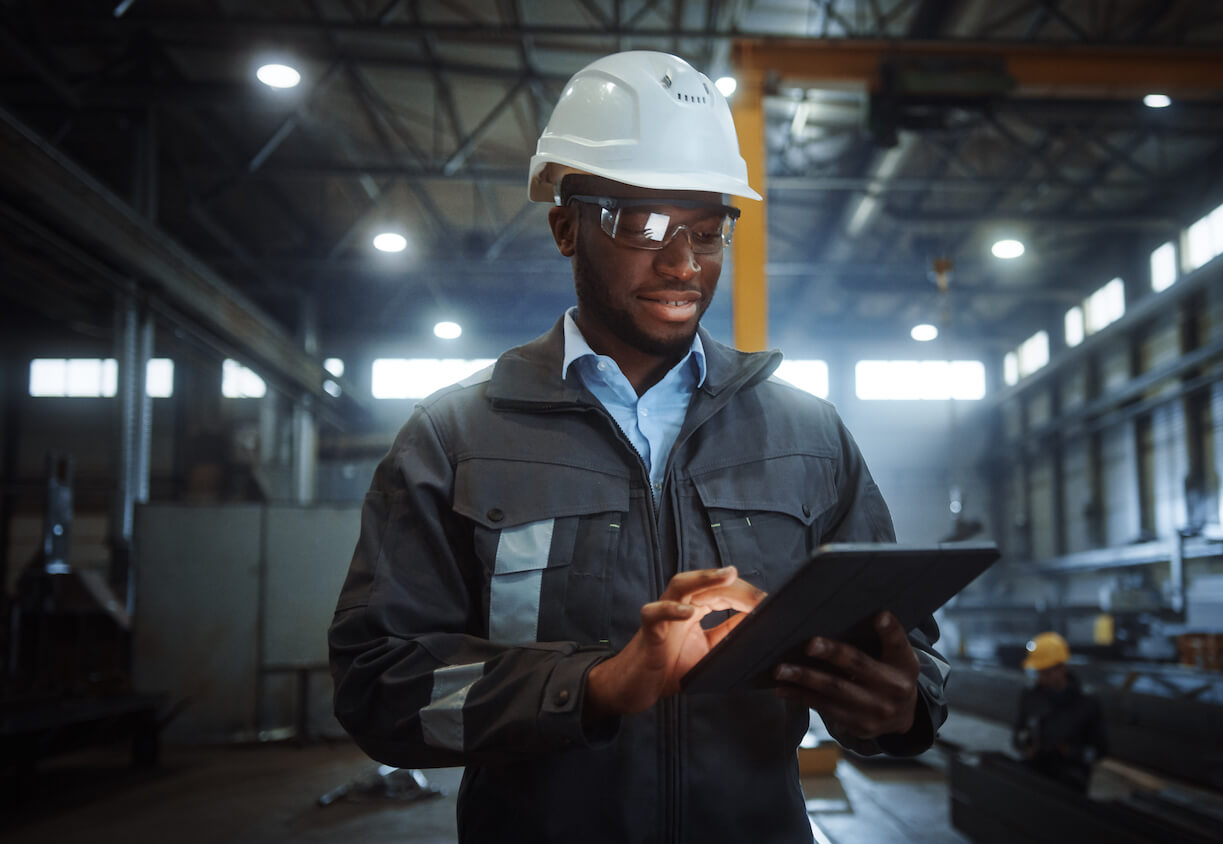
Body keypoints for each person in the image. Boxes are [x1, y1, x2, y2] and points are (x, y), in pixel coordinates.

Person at [327, 50, 951, 843]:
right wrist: (592, 686)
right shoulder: (457, 437)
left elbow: (909, 648)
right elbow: (381, 689)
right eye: (642, 223)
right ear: (565, 226)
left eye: (705, 228)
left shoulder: (808, 437)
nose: (683, 262)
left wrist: (901, 707)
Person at [1012, 631, 1108, 793]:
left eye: (1046, 672)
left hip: (1071, 777)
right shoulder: (1031, 697)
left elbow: (1100, 750)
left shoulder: (1086, 703)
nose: (1041, 678)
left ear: (1061, 668)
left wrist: (1070, 751)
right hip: (1036, 769)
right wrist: (1025, 747)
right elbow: (1018, 734)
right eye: (1039, 672)